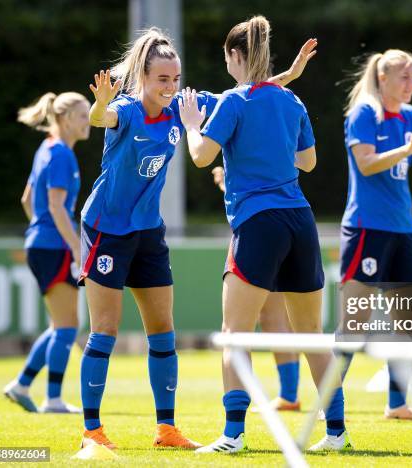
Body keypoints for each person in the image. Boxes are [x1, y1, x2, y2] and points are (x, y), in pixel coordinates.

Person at [78, 27, 318, 450]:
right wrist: (98, 105)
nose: (170, 87)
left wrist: (290, 76)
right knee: (105, 331)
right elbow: (103, 118)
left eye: (175, 78)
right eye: (162, 80)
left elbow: (246, 95)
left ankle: (166, 429)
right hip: (106, 229)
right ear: (144, 78)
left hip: (148, 230)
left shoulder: (185, 106)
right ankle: (93, 431)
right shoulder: (127, 110)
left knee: (163, 332)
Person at [179, 16, 350, 453]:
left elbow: (201, 157)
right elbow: (308, 162)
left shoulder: (234, 103)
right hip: (300, 221)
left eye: (227, 58)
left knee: (235, 333)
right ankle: (336, 432)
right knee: (311, 333)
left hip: (258, 222)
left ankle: (233, 434)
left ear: (235, 56)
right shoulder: (291, 101)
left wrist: (192, 124)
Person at [339, 49, 412, 421]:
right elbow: (366, 163)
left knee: (411, 321)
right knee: (353, 323)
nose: (411, 84)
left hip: (404, 229)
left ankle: (397, 404)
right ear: (383, 78)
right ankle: (329, 400)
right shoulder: (363, 112)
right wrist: (406, 149)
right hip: (367, 228)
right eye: (404, 77)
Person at [4, 92, 90, 414]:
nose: (88, 123)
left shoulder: (46, 149)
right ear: (66, 119)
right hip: (53, 246)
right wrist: (76, 247)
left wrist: (40, 231)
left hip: (42, 243)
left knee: (60, 325)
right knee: (68, 326)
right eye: (83, 116)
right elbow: (55, 206)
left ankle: (22, 384)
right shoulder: (62, 155)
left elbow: (28, 199)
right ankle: (53, 399)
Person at [212, 167, 301, 412]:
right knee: (280, 319)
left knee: (267, 321)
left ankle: (288, 395)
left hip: (263, 228)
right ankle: (291, 394)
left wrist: (230, 181)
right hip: (290, 223)